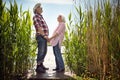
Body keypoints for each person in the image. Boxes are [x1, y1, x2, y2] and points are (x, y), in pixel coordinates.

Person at [33, 3, 49, 73]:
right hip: (41, 36)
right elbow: (39, 27)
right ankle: (38, 67)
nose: (42, 8)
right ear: (36, 9)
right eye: (40, 7)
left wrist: (46, 36)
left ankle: (41, 64)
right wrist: (44, 35)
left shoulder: (40, 16)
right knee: (41, 51)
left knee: (44, 51)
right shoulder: (36, 16)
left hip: (44, 37)